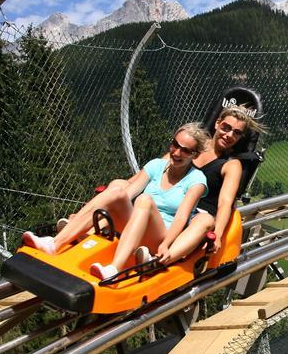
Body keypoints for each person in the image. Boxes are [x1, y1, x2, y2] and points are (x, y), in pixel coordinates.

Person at [22, 124, 210, 278]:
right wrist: (82, 216)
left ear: (195, 155)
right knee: (118, 191)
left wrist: (166, 244)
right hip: (136, 224)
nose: (176, 152)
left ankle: (114, 268)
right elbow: (126, 193)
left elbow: (181, 217)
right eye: (174, 145)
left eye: (185, 151)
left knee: (144, 200)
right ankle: (55, 243)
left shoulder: (196, 180)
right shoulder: (156, 165)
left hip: (160, 235)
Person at [153, 104, 264, 265]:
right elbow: (161, 166)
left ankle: (159, 261)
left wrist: (217, 234)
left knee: (203, 221)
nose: (229, 135)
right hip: (173, 207)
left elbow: (226, 203)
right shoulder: (194, 147)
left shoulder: (231, 165)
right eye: (226, 128)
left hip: (198, 216)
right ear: (217, 123)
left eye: (236, 133)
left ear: (240, 137)